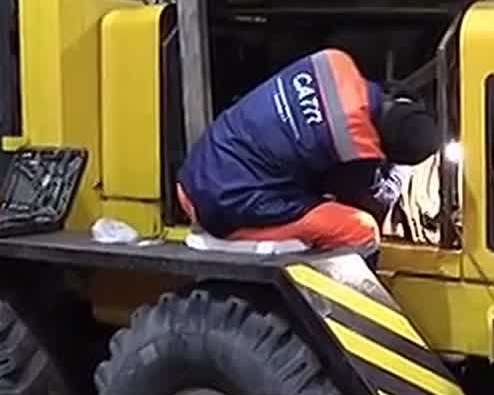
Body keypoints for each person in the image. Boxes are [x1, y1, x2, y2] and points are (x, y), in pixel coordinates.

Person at [177, 48, 439, 260]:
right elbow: (376, 200)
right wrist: (402, 169)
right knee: (360, 229)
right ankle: (337, 308)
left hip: (197, 172)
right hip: (218, 205)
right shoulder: (351, 146)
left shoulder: (334, 62)